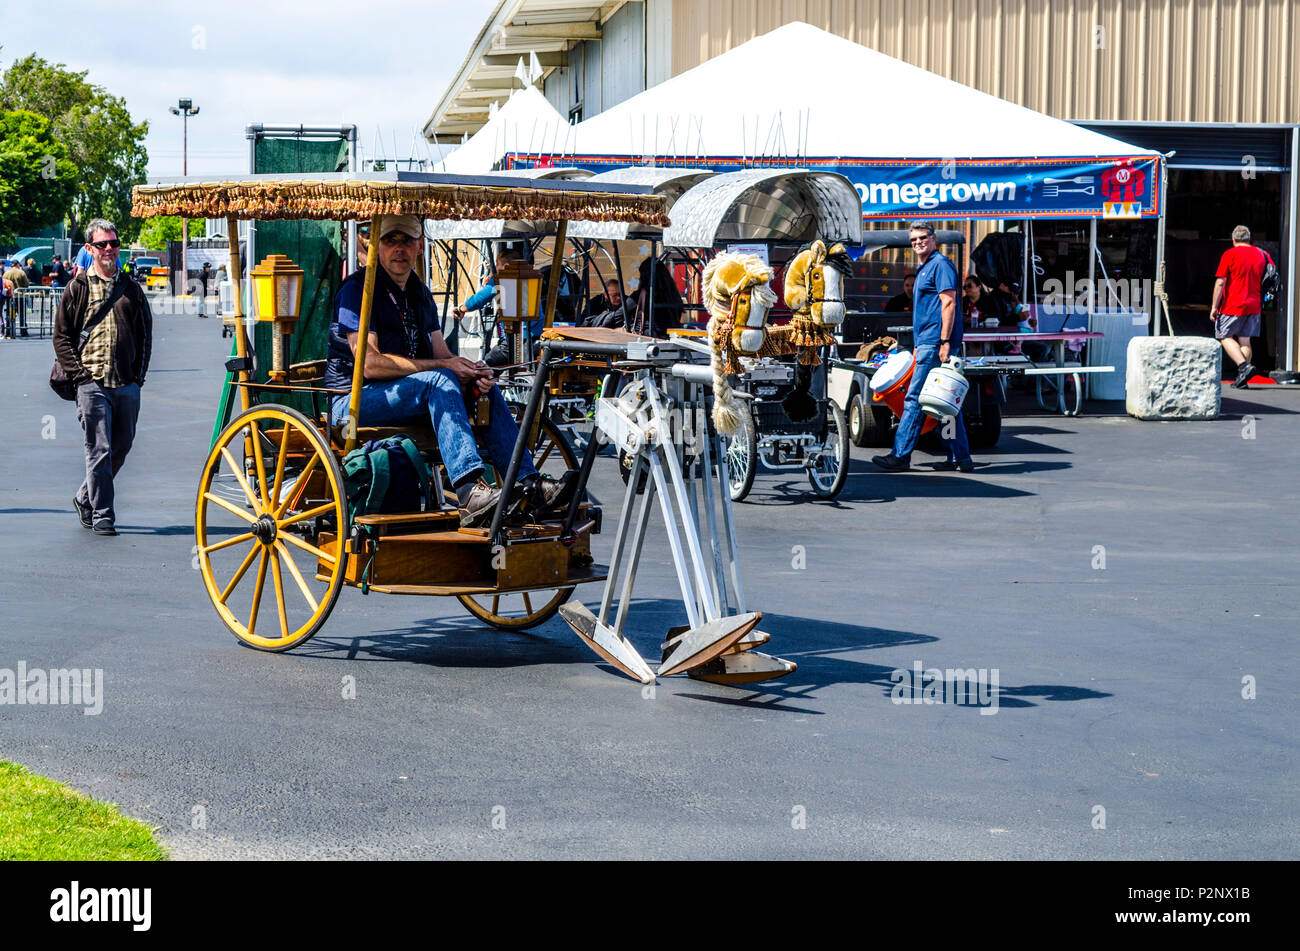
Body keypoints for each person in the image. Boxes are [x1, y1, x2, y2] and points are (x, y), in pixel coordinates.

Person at [324, 215, 572, 527]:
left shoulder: (418, 291)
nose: (398, 249)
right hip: (350, 403)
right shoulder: (358, 289)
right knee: (439, 381)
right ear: (376, 246)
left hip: (408, 394)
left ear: (419, 246)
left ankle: (527, 483)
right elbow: (370, 364)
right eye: (390, 241)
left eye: (407, 241)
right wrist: (445, 367)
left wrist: (470, 370)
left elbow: (442, 354)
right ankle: (469, 491)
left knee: (483, 386)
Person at [53, 219, 153, 536]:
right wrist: (80, 377)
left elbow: (146, 335)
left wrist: (138, 376)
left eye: (113, 242)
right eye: (101, 244)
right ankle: (102, 514)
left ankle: (85, 497)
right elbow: (61, 338)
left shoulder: (131, 288)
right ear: (89, 249)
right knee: (100, 450)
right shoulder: (77, 288)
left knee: (122, 446)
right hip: (91, 383)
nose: (109, 249)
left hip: (126, 383)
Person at [872, 221, 974, 474]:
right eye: (913, 239)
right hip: (927, 343)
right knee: (944, 402)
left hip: (936, 343)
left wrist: (944, 342)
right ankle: (959, 457)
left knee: (915, 399)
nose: (918, 242)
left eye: (922, 238)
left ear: (933, 238)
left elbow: (948, 303)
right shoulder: (926, 267)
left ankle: (900, 455)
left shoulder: (940, 265)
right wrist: (920, 344)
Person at [1210, 224, 1271, 388]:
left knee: (1224, 335)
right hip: (1255, 305)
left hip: (1233, 305)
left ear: (1233, 239)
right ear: (1249, 238)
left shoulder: (1230, 254)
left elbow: (1220, 282)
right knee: (1245, 340)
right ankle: (1242, 380)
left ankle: (1244, 367)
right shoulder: (1262, 254)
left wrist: (1214, 307)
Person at [627, 256, 683, 337]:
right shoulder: (673, 294)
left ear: (644, 277)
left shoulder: (641, 295)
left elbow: (619, 315)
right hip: (672, 338)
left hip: (649, 340)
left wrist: (603, 316)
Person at [3, 260, 30, 338]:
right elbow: (26, 284)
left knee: (9, 314)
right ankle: (23, 331)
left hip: (10, 296)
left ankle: (8, 331)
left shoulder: (6, 273)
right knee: (22, 314)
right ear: (17, 264)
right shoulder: (21, 273)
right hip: (20, 296)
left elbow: (4, 284)